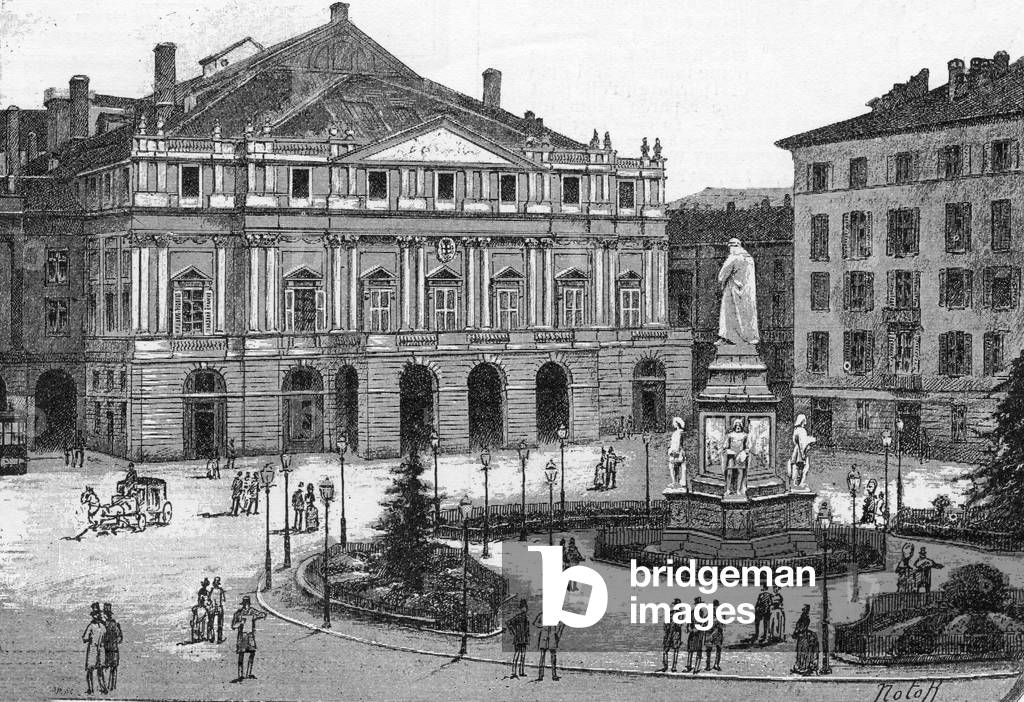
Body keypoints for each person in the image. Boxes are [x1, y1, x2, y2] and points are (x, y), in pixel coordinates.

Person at [716, 237, 760, 346]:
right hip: (747, 293)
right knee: (747, 316)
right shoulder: (749, 259)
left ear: (732, 247)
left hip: (733, 290)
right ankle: (748, 337)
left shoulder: (733, 257)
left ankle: (727, 337)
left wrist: (723, 282)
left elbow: (721, 276)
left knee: (728, 314)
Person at [230, 595, 266, 682]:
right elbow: (233, 626)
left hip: (250, 636)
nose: (246, 606)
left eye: (247, 604)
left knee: (252, 653)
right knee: (241, 655)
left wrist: (257, 617)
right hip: (242, 636)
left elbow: (263, 614)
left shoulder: (252, 611)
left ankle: (248, 673)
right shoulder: (238, 613)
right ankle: (240, 674)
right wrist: (240, 622)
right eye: (245, 605)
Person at [533, 610, 565, 681]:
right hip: (544, 638)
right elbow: (535, 623)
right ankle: (540, 675)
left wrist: (557, 634)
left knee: (553, 657)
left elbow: (562, 624)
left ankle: (554, 675)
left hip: (552, 637)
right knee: (542, 657)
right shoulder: (542, 615)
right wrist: (543, 625)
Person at [83, 603, 108, 695]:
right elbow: (84, 638)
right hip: (96, 649)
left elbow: (85, 638)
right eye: (94, 614)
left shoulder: (101, 626)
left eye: (97, 614)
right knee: (91, 670)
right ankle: (91, 688)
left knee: (99, 670)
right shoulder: (94, 626)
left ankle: (102, 688)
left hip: (98, 649)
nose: (95, 616)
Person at [789, 415, 817, 491]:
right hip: (801, 452)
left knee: (796, 467)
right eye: (804, 420)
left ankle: (795, 483)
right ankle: (800, 484)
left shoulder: (796, 430)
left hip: (796, 450)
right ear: (802, 421)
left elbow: (796, 441)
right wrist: (803, 454)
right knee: (804, 468)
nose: (805, 422)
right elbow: (803, 444)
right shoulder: (802, 430)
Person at [722, 419, 749, 496]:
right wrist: (728, 450)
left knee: (740, 472)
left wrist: (744, 453)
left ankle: (738, 490)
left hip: (740, 456)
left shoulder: (745, 435)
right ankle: (727, 489)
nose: (738, 427)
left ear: (741, 426)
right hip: (731, 456)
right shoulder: (730, 435)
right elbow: (725, 446)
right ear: (734, 426)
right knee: (729, 472)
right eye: (736, 425)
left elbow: (747, 447)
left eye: (739, 425)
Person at [504, 599, 530, 679]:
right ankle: (514, 672)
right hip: (519, 638)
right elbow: (508, 623)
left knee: (522, 655)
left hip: (524, 638)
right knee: (517, 655)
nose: (525, 609)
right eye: (524, 607)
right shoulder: (518, 617)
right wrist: (513, 632)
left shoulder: (525, 617)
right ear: (521, 608)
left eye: (525, 607)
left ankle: (521, 671)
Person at [791, 604, 819, 676]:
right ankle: (802, 665)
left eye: (805, 609)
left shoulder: (805, 618)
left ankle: (803, 666)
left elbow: (801, 627)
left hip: (803, 636)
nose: (803, 610)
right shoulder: (804, 617)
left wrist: (797, 632)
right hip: (802, 635)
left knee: (803, 651)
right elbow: (800, 627)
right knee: (802, 651)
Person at [101, 603, 122, 691]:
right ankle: (106, 687)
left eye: (107, 613)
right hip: (106, 650)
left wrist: (114, 641)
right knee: (105, 668)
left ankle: (112, 687)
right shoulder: (101, 624)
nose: (106, 615)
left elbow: (120, 637)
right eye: (105, 613)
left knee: (113, 668)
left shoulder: (114, 623)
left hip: (112, 649)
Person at [660, 598, 683, 672]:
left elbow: (679, 624)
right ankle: (665, 666)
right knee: (665, 650)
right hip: (669, 633)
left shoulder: (680, 614)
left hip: (676, 634)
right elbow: (665, 624)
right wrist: (668, 628)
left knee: (675, 650)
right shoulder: (670, 613)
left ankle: (674, 667)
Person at [685, 597, 705, 673]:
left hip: (699, 634)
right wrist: (689, 628)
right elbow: (688, 622)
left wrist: (698, 628)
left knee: (698, 651)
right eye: (697, 604)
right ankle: (689, 666)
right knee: (690, 650)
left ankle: (696, 668)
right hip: (692, 634)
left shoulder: (702, 613)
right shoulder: (692, 613)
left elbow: (704, 624)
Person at [705, 600, 723, 671]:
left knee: (718, 648)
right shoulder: (709, 613)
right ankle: (708, 665)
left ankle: (716, 664)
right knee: (709, 649)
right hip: (711, 633)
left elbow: (723, 624)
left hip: (718, 633)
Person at [668, 416, 686, 487]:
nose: (673, 424)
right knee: (675, 467)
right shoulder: (676, 432)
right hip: (676, 452)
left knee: (672, 466)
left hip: (677, 452)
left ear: (677, 423)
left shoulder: (679, 433)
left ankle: (675, 482)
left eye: (674, 422)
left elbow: (677, 444)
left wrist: (674, 453)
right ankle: (676, 482)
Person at [208, 577, 226, 643]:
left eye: (217, 582)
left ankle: (219, 638)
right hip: (212, 607)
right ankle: (211, 638)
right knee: (211, 624)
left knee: (220, 624)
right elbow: (208, 599)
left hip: (219, 607)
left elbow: (224, 599)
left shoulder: (221, 590)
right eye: (215, 581)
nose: (216, 583)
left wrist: (218, 604)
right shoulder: (211, 590)